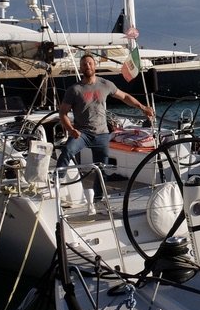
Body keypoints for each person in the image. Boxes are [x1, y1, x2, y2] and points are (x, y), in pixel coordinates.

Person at [58, 52, 155, 201]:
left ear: (95, 65)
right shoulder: (74, 90)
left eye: (90, 63)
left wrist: (143, 107)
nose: (87, 66)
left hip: (102, 134)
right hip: (82, 133)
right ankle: (57, 183)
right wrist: (71, 129)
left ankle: (98, 199)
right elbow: (63, 113)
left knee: (102, 169)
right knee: (67, 151)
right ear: (81, 67)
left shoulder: (106, 84)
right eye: (84, 64)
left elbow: (125, 97)